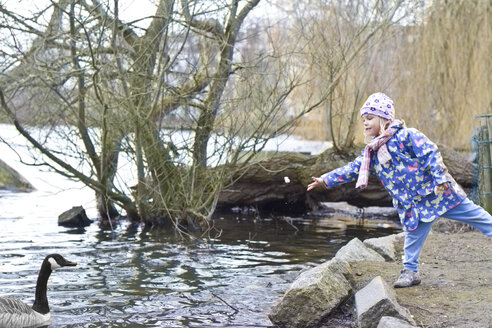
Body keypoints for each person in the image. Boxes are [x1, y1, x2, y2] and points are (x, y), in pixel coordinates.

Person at [307, 92, 492, 288]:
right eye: (364, 120)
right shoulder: (372, 151)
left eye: (370, 118)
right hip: (413, 203)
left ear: (384, 118)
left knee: (477, 217)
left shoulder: (407, 135)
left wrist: (439, 177)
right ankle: (410, 272)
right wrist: (325, 179)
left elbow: (430, 152)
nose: (365, 123)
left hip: (438, 193)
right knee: (412, 236)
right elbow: (352, 168)